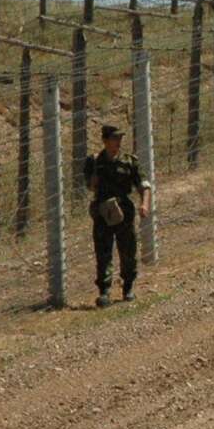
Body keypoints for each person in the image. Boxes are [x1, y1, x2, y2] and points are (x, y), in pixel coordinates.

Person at [84, 123, 151, 307]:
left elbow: (144, 185)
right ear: (105, 140)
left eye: (120, 138)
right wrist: (93, 181)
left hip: (124, 210)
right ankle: (104, 291)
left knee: (128, 250)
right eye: (114, 138)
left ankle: (128, 287)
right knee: (103, 252)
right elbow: (89, 187)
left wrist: (144, 204)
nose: (118, 141)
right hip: (103, 211)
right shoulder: (94, 161)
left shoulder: (130, 161)